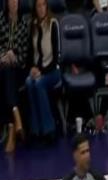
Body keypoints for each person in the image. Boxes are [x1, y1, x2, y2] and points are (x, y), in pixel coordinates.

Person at [25, 0, 60, 142]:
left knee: (39, 83)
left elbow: (56, 57)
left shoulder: (53, 24)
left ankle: (49, 130)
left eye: (43, 5)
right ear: (35, 8)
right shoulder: (32, 25)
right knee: (29, 82)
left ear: (47, 6)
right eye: (38, 6)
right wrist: (32, 68)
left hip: (53, 71)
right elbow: (30, 54)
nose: (41, 8)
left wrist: (42, 71)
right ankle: (35, 129)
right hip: (37, 70)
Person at [0, 0, 30, 153]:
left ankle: (12, 125)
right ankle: (15, 119)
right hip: (2, 65)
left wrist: (14, 57)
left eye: (16, 0)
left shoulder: (24, 24)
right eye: (11, 0)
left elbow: (24, 56)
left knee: (7, 75)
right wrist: (3, 56)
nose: (14, 3)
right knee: (5, 73)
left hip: (18, 70)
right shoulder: (0, 20)